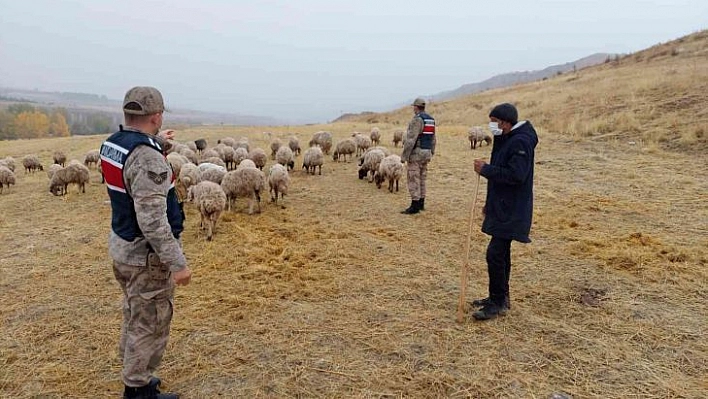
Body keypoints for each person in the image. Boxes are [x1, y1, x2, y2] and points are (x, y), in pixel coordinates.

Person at [100, 86, 192, 399]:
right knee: (150, 321)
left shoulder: (114, 144)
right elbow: (153, 222)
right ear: (157, 116)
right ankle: (137, 390)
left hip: (123, 248)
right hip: (146, 257)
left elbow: (131, 168)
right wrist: (177, 263)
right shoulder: (147, 159)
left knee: (135, 312)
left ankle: (136, 374)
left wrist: (157, 144)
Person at [471, 103, 538, 321]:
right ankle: (499, 297)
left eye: (493, 121)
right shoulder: (507, 138)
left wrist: (486, 170)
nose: (491, 126)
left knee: (495, 254)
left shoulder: (520, 141)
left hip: (512, 207)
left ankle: (497, 302)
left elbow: (516, 175)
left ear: (504, 123)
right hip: (502, 205)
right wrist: (489, 204)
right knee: (501, 253)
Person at [400, 97, 436, 214]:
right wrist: (432, 151)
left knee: (413, 177)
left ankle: (414, 205)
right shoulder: (431, 120)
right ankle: (421, 203)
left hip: (417, 153)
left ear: (416, 107)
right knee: (422, 178)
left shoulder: (417, 120)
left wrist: (404, 156)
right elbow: (433, 139)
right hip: (426, 153)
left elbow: (411, 139)